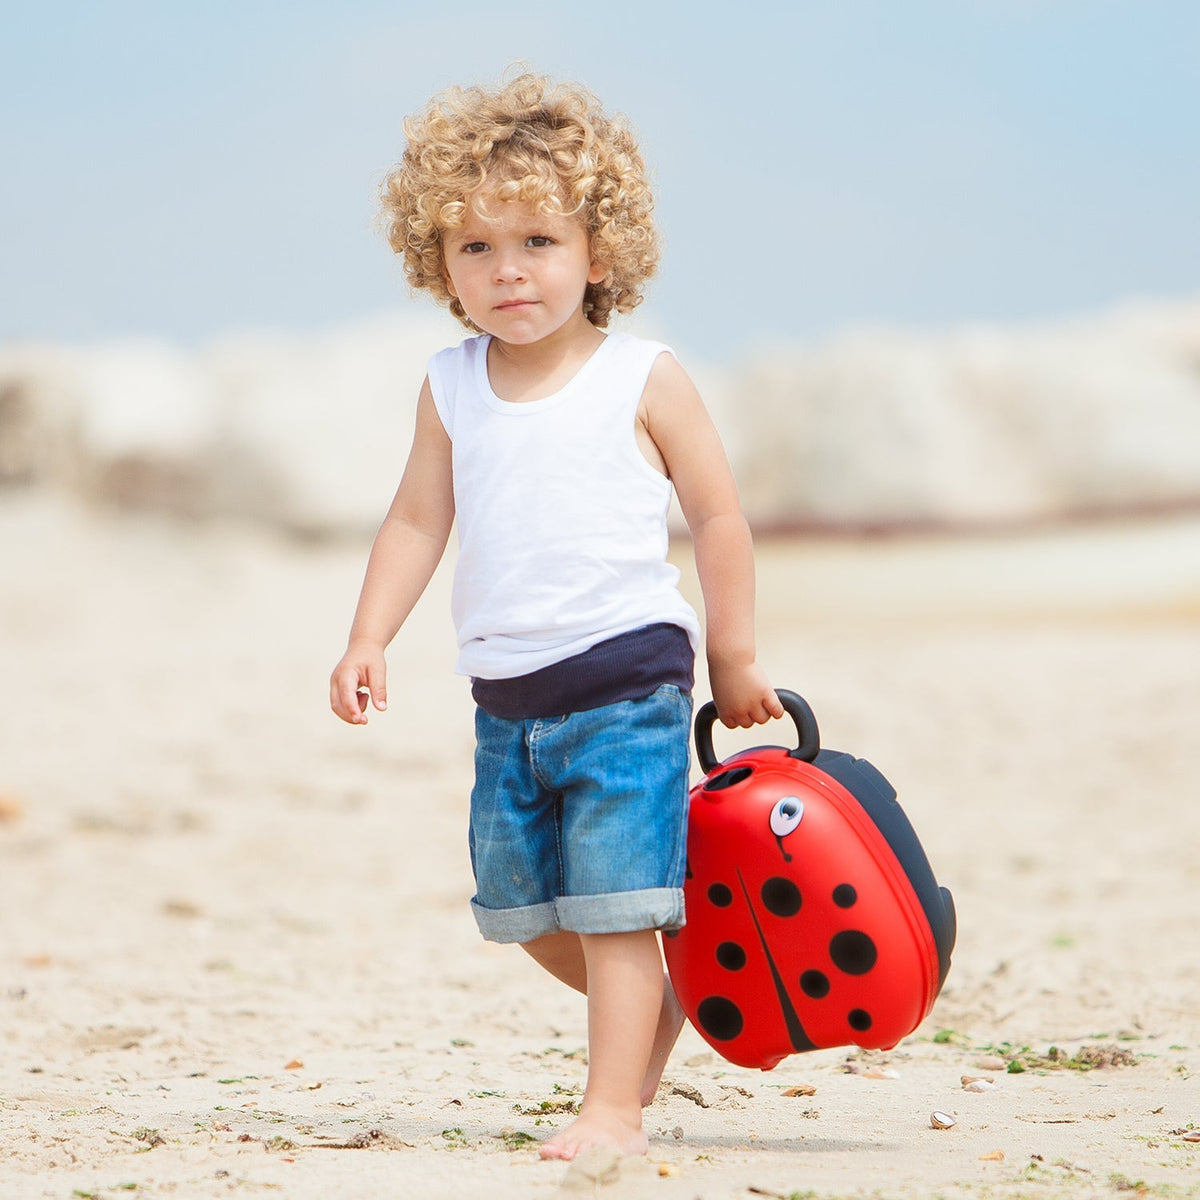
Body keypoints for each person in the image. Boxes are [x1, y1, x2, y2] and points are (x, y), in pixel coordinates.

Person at [329, 72, 783, 1162]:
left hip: (628, 685)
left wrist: (732, 655)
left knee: (617, 906)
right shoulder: (452, 385)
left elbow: (718, 518)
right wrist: (367, 635)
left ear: (600, 250)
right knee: (525, 912)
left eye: (537, 238)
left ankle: (613, 1110)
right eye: (474, 248)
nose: (508, 270)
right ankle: (663, 1010)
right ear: (437, 265)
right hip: (507, 701)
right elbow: (412, 522)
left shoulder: (644, 377)